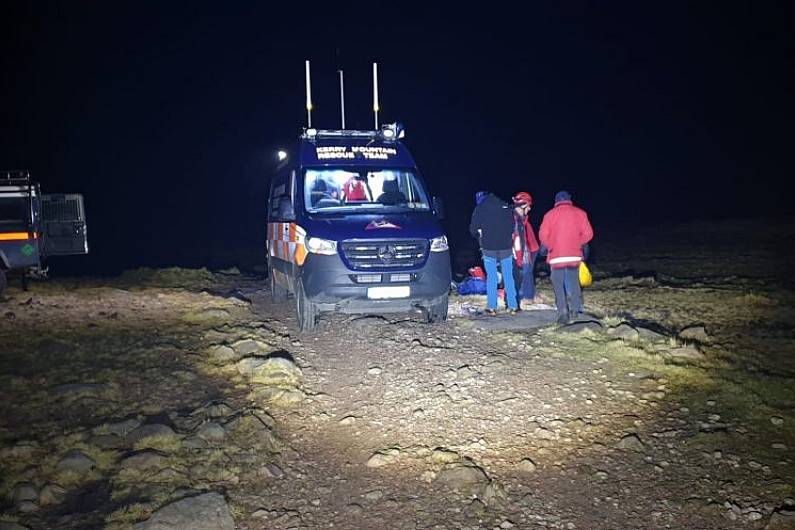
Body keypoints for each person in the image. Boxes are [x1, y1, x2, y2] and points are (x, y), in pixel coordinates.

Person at [539, 190, 594, 324]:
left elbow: (543, 235)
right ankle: (575, 310)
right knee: (574, 282)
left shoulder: (549, 215)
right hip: (574, 255)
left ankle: (563, 311)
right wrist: (578, 242)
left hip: (556, 256)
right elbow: (589, 234)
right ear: (569, 200)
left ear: (556, 201)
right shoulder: (580, 213)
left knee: (558, 284)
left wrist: (551, 245)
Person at [469, 191, 519, 315]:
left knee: (491, 276)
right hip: (506, 247)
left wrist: (480, 237)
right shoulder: (505, 206)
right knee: (508, 275)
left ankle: (492, 307)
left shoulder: (480, 208)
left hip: (488, 248)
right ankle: (513, 306)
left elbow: (472, 229)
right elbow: (512, 226)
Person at [511, 191, 540, 309]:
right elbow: (516, 239)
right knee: (524, 271)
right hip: (522, 250)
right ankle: (526, 296)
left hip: (531, 247)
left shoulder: (522, 218)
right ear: (523, 205)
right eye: (528, 206)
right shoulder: (515, 219)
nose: (529, 209)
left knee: (527, 272)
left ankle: (529, 294)